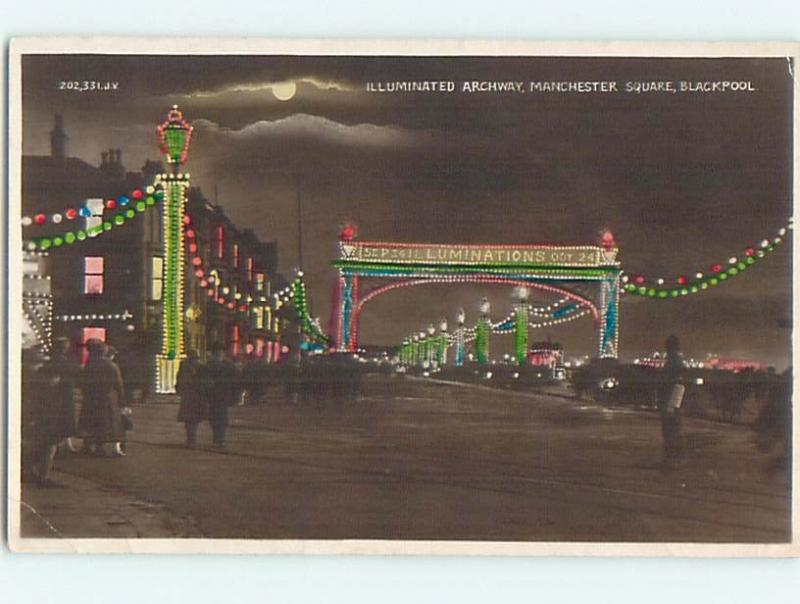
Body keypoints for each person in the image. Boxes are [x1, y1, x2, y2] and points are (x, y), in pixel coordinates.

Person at [33, 338, 82, 485]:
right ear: (64, 349)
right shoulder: (67, 364)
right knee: (51, 441)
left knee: (48, 440)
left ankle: (41, 472)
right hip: (60, 406)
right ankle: (44, 475)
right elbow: (79, 371)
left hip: (46, 407)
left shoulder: (45, 366)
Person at [79, 339, 126, 457]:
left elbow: (83, 384)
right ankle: (105, 447)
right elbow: (118, 385)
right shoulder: (111, 366)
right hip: (107, 398)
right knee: (108, 423)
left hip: (91, 398)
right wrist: (123, 401)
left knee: (93, 423)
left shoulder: (89, 366)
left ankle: (92, 446)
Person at [658, 335, 685, 467]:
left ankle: (671, 459)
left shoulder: (673, 362)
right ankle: (672, 458)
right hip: (672, 402)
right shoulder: (677, 360)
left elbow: (676, 384)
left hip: (670, 402)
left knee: (670, 431)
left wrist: (671, 405)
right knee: (673, 431)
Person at [204, 347, 239, 447]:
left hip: (214, 395)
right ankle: (220, 438)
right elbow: (236, 382)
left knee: (215, 417)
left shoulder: (209, 366)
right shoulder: (229, 366)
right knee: (220, 417)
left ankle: (218, 437)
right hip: (222, 395)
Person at [176, 350, 207, 448]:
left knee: (189, 420)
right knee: (194, 419)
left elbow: (179, 379)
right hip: (198, 395)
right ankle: (192, 440)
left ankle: (190, 440)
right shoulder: (202, 366)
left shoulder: (183, 365)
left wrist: (179, 390)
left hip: (187, 395)